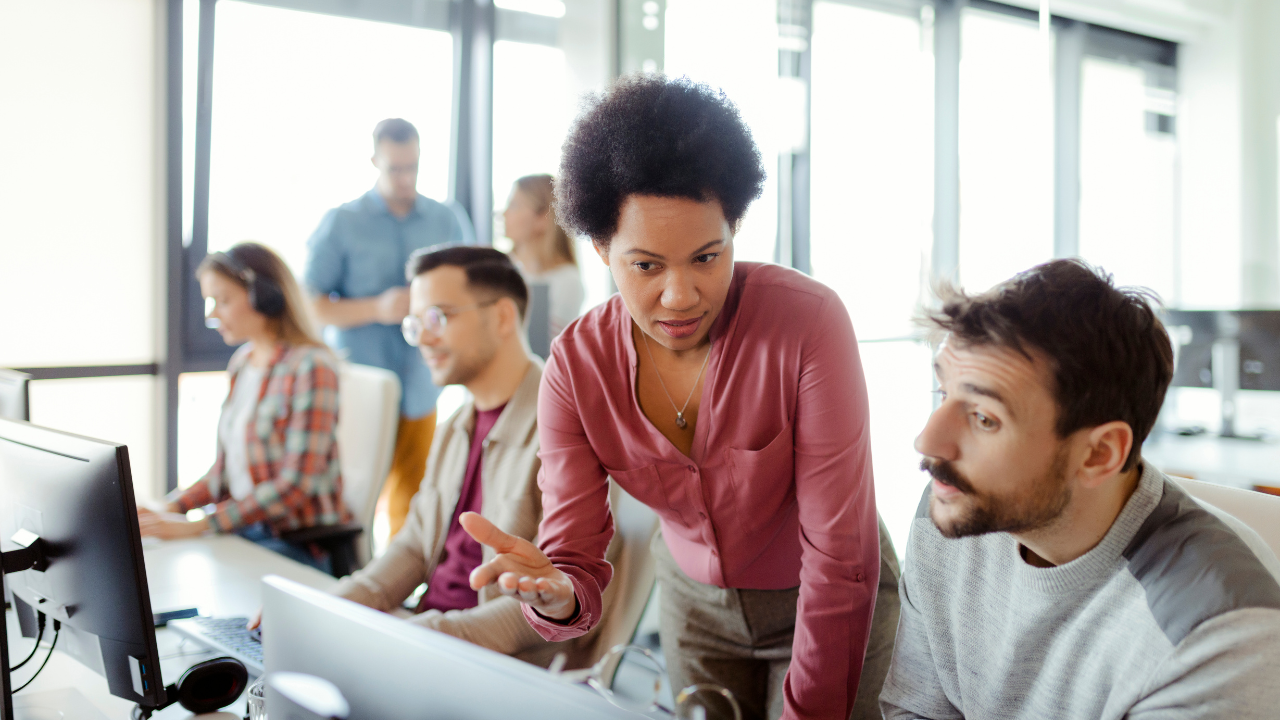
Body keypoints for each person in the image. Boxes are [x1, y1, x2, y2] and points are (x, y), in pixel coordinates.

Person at [458, 75, 899, 720]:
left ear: (734, 228)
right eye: (646, 265)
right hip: (693, 608)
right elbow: (571, 556)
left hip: (830, 600)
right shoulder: (576, 369)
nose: (680, 295)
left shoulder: (807, 324)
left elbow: (840, 556)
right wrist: (555, 594)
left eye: (705, 257)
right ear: (603, 247)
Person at [880, 259, 1280, 719]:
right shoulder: (956, 508)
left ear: (1099, 454)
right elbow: (916, 712)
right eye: (944, 394)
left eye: (984, 418)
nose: (929, 443)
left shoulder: (1219, 637)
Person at [304, 118, 475, 541]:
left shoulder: (445, 219)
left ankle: (401, 596)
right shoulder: (341, 223)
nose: (405, 178)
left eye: (412, 167)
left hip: (422, 381)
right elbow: (311, 307)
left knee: (416, 498)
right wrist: (376, 308)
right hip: (361, 385)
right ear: (375, 161)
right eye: (395, 168)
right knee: (356, 497)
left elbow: (472, 291)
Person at [139, 243, 347, 573]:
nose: (211, 314)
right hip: (241, 532)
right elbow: (225, 470)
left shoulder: (312, 366)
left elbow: (294, 486)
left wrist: (198, 526)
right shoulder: (243, 363)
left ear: (264, 296)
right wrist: (169, 507)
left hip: (293, 543)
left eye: (222, 301)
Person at [501, 174, 584, 337]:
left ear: (543, 217)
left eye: (514, 205)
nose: (504, 214)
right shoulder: (498, 267)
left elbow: (548, 349)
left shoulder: (567, 281)